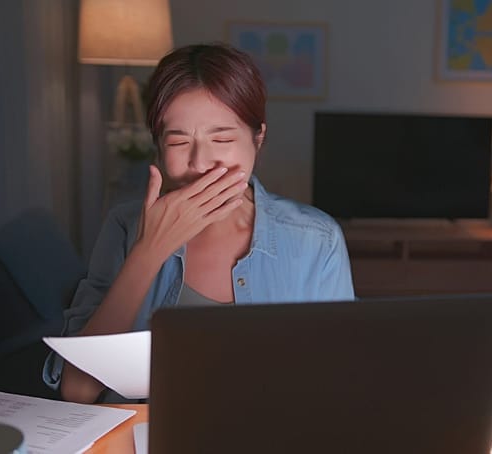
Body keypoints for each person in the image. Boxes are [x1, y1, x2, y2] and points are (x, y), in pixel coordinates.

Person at [43, 43, 355, 404]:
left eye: (221, 139)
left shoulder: (316, 240)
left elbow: (338, 386)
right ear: (158, 145)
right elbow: (77, 390)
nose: (200, 162)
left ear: (258, 138)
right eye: (178, 140)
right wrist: (148, 253)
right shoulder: (125, 226)